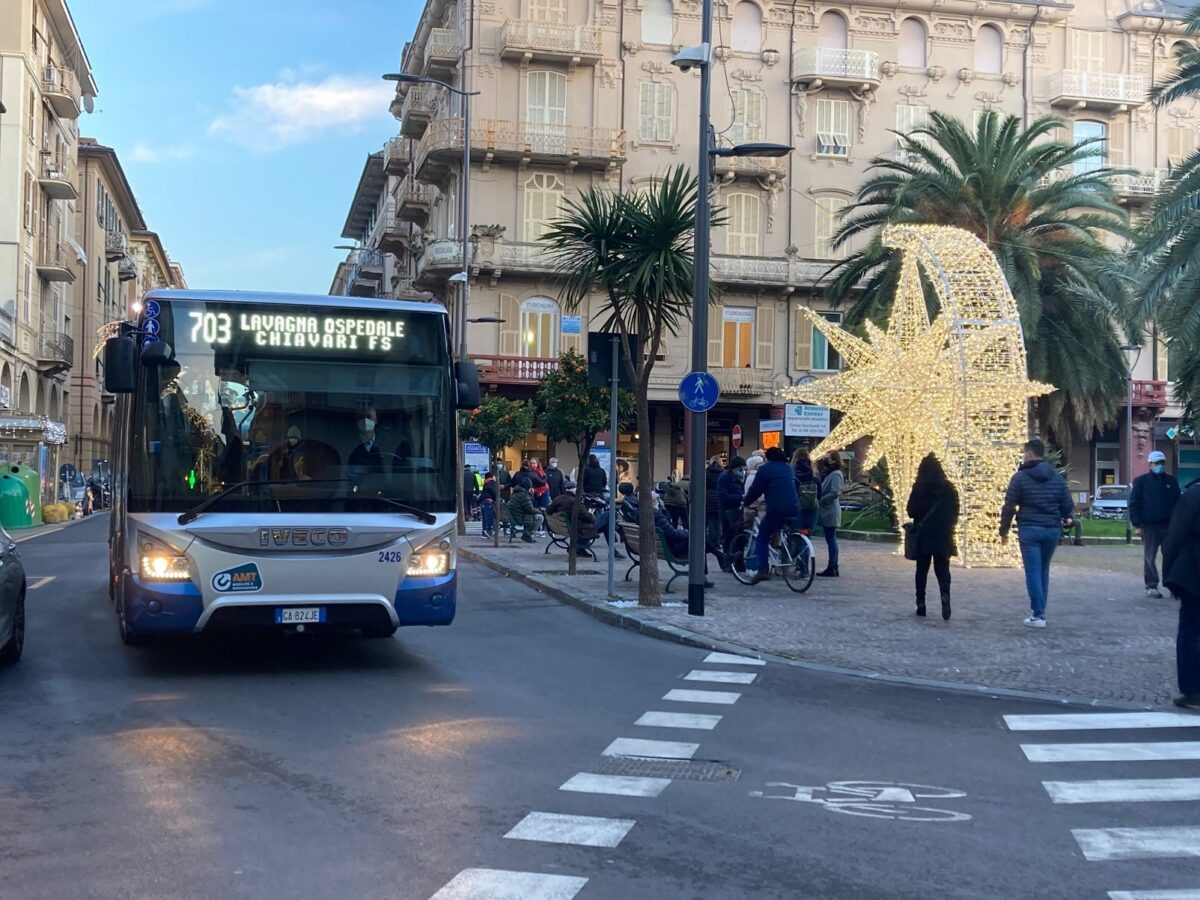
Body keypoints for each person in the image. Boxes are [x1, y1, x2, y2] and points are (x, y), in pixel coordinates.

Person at [1000, 438, 1075, 628]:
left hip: (1029, 528)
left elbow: (1009, 505)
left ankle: (1038, 614)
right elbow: (1066, 503)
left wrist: (1004, 530)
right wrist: (1068, 516)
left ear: (1030, 453)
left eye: (1025, 453)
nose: (1023, 456)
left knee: (1032, 571)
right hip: (1051, 529)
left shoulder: (1020, 478)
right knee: (1043, 570)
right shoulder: (1056, 477)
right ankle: (1040, 612)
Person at [906, 454, 961, 620]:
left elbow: (911, 511)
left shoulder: (919, 488)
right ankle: (945, 599)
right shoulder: (949, 488)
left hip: (924, 535)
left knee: (921, 570)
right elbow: (956, 511)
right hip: (943, 535)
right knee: (943, 570)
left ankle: (920, 602)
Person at [1163, 475, 1200, 709]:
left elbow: (1175, 536)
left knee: (1190, 631)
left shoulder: (1194, 494)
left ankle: (1193, 689)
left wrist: (1169, 577)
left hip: (1194, 572)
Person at [743, 446, 801, 584]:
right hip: (793, 508)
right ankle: (787, 555)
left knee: (762, 537)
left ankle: (763, 569)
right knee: (781, 532)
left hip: (776, 509)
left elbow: (756, 490)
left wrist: (746, 502)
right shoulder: (788, 468)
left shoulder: (765, 469)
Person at [1129, 450, 1182, 599]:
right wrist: (1137, 524)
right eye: (1157, 463)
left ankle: (1172, 585)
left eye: (1162, 463)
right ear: (1150, 464)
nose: (1160, 465)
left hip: (1169, 526)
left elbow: (1178, 504)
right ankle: (1151, 585)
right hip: (1149, 526)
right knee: (1149, 557)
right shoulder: (1141, 482)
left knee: (1171, 556)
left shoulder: (1172, 482)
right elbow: (1134, 504)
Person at [650, 492, 713, 587]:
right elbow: (674, 535)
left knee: (701, 539)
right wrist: (686, 532)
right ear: (650, 502)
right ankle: (705, 573)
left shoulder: (643, 514)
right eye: (655, 500)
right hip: (672, 549)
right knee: (700, 540)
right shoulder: (657, 516)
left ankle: (720, 556)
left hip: (663, 547)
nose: (658, 502)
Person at [816, 452, 844, 577]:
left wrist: (820, 500)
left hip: (830, 510)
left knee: (831, 539)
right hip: (824, 510)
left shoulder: (836, 474)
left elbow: (834, 492)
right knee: (830, 538)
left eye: (827, 459)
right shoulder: (827, 473)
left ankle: (833, 566)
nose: (825, 461)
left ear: (834, 461)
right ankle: (832, 566)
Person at [717, 456, 748, 564]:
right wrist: (741, 497)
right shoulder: (725, 477)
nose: (743, 471)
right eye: (740, 468)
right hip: (728, 511)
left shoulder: (741, 478)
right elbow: (722, 495)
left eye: (744, 468)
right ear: (733, 468)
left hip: (738, 510)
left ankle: (739, 563)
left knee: (740, 538)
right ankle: (727, 561)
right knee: (729, 537)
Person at [705, 456, 727, 571]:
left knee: (710, 521)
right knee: (718, 522)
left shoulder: (707, 472)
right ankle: (717, 542)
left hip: (708, 499)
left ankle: (712, 541)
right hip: (718, 499)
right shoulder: (722, 473)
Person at [792, 447, 820, 535]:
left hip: (797, 509)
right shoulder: (814, 477)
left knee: (795, 536)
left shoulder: (792, 474)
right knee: (807, 536)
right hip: (812, 509)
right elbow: (819, 495)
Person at [348, 406, 383, 472]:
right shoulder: (347, 443)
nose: (365, 420)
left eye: (369, 417)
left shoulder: (387, 443)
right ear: (356, 420)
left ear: (376, 420)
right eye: (361, 417)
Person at [507, 474, 540, 543]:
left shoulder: (516, 492)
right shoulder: (524, 495)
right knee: (539, 517)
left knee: (532, 516)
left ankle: (526, 534)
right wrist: (540, 511)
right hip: (519, 517)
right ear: (528, 487)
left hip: (514, 515)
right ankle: (527, 534)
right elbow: (530, 509)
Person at [480, 471, 499, 538]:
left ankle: (484, 531)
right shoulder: (493, 483)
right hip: (488, 501)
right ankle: (488, 530)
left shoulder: (486, 483)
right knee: (489, 516)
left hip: (483, 501)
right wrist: (494, 499)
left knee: (485, 517)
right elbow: (493, 491)